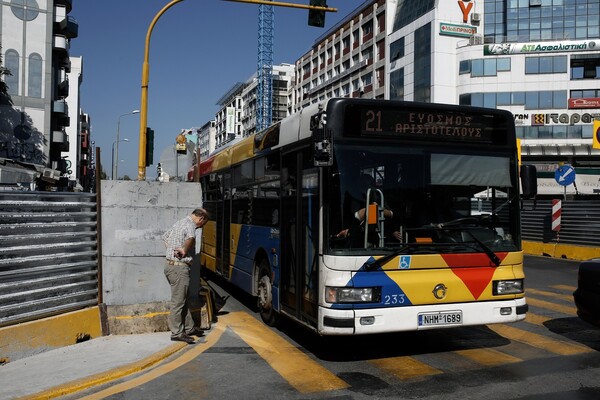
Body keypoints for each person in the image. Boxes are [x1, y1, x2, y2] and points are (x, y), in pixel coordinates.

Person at [162, 208, 209, 344]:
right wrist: (183, 250)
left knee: (184, 299)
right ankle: (176, 332)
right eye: (203, 224)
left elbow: (165, 237)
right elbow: (191, 238)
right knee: (178, 302)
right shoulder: (190, 225)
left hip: (171, 266)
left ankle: (189, 328)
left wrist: (171, 251)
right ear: (201, 219)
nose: (201, 226)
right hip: (178, 268)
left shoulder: (180, 222)